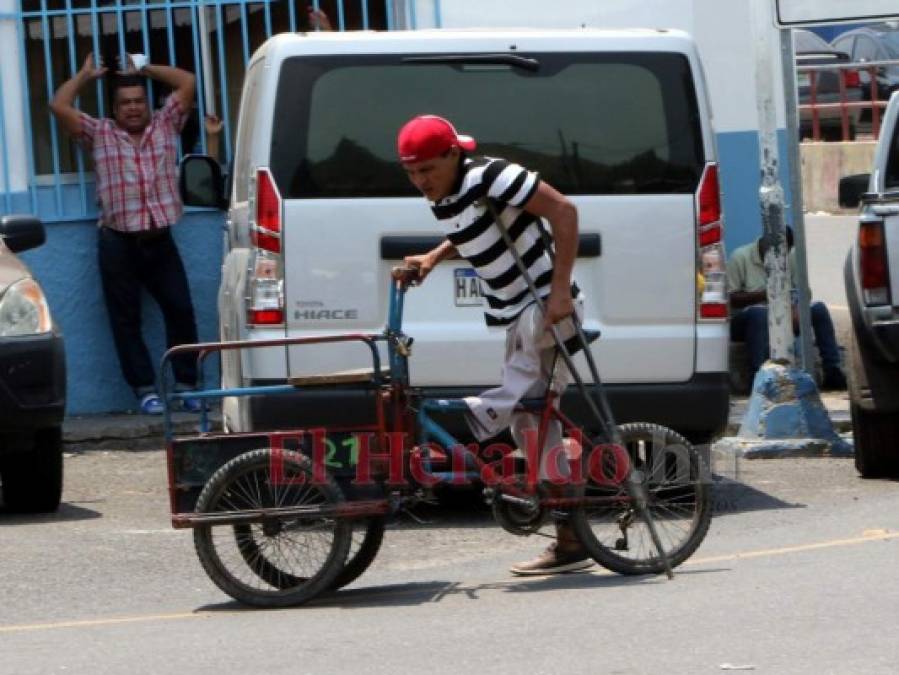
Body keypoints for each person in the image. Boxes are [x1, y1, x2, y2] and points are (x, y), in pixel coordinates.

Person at [397, 114, 592, 576]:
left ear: (452, 155)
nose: (421, 181)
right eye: (411, 173)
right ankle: (569, 537)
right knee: (532, 426)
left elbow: (564, 211)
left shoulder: (492, 174)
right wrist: (433, 256)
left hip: (544, 307)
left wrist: (561, 290)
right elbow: (471, 229)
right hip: (516, 315)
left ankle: (485, 418)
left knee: (524, 408)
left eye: (428, 169)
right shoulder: (447, 196)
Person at [50, 54, 202, 414]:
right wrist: (85, 75)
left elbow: (187, 82)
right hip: (117, 242)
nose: (133, 109)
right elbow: (58, 105)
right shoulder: (98, 133)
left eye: (138, 101)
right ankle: (145, 390)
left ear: (147, 104)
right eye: (125, 104)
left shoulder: (167, 125)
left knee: (180, 310)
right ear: (114, 110)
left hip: (160, 240)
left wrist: (144, 68)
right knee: (125, 320)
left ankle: (185, 385)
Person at [727, 227, 846, 390]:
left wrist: (797, 308)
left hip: (786, 312)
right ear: (765, 246)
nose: (782, 257)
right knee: (759, 314)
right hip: (748, 320)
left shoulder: (790, 256)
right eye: (779, 253)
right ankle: (758, 376)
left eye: (786, 252)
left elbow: (804, 291)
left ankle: (832, 370)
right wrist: (767, 294)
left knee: (818, 309)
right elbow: (731, 298)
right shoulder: (740, 257)